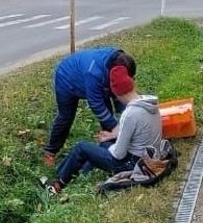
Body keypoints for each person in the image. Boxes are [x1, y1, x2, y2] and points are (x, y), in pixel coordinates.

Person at [46, 65, 162, 194]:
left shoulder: (130, 114)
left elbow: (119, 154)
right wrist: (111, 137)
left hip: (133, 165)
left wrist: (111, 146)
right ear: (132, 84)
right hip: (149, 156)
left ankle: (57, 185)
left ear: (116, 92)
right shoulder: (148, 103)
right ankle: (77, 174)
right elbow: (138, 130)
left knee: (81, 148)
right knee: (104, 145)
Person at [43, 47, 137, 166]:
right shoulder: (93, 73)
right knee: (65, 117)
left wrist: (128, 117)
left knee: (111, 113)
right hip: (66, 79)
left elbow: (121, 92)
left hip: (95, 78)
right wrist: (116, 127)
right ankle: (51, 151)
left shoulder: (119, 59)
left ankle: (110, 144)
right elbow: (96, 104)